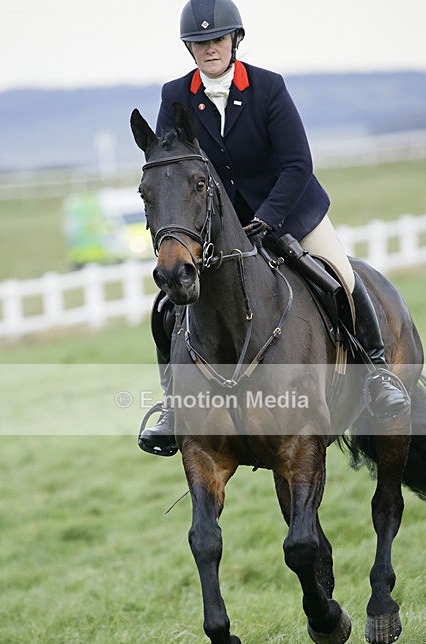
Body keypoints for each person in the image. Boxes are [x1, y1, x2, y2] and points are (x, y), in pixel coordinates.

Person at [139, 0, 410, 456]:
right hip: (219, 228)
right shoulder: (175, 96)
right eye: (200, 43)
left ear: (234, 41)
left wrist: (267, 219)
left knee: (341, 277)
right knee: (169, 305)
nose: (210, 49)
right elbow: (173, 168)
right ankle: (172, 406)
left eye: (217, 40)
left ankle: (378, 375)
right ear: (190, 48)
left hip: (288, 210)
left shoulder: (267, 87)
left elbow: (297, 163)